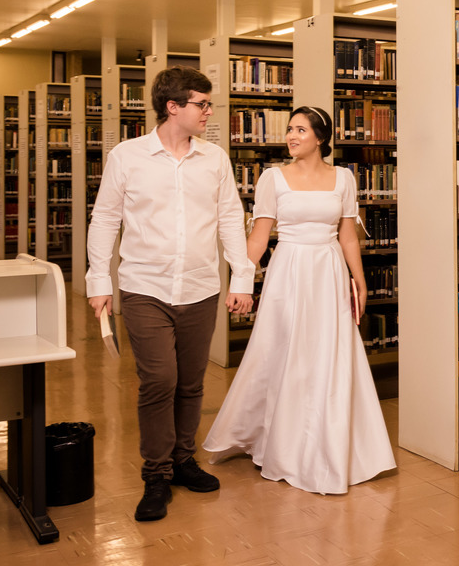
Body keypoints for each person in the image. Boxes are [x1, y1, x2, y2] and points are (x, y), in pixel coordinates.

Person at [87, 66, 254, 522]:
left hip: (200, 287)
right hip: (145, 287)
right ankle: (156, 473)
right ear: (172, 106)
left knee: (191, 382)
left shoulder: (215, 158)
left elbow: (229, 219)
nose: (209, 112)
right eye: (202, 104)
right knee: (160, 379)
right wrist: (98, 281)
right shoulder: (127, 156)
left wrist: (242, 277)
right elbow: (105, 219)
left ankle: (183, 460)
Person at [203, 106, 396, 494]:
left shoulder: (344, 178)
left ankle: (328, 443)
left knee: (328, 354)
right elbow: (259, 237)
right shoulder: (272, 178)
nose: (291, 136)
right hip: (288, 271)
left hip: (329, 272)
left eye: (300, 130)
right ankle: (282, 441)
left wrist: (359, 281)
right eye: (290, 129)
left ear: (320, 138)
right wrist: (241, 281)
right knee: (282, 351)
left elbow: (347, 236)